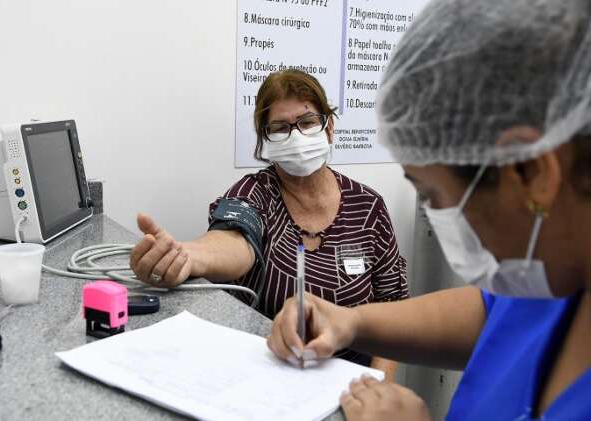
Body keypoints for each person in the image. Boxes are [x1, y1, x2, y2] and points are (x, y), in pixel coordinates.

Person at [266, 0, 591, 419]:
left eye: (435, 196)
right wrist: (353, 322)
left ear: (530, 173)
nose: (438, 215)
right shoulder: (552, 267)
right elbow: (495, 312)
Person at [130, 69, 409, 379]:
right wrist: (187, 256)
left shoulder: (368, 207)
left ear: (328, 128)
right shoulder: (254, 194)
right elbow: (235, 239)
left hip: (353, 387)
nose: (297, 136)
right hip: (268, 383)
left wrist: (379, 387)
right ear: (266, 140)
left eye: (306, 123)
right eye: (280, 128)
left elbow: (393, 310)